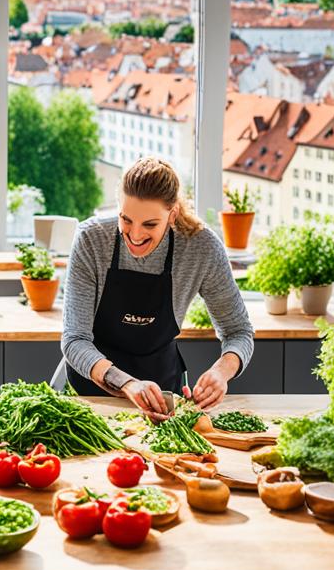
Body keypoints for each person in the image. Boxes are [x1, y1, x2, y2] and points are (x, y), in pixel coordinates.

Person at [61, 157, 255, 419]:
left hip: (163, 398)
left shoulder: (201, 248)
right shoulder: (92, 240)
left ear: (172, 214)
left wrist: (222, 371)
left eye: (150, 224)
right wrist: (127, 383)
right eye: (126, 220)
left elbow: (238, 331)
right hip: (91, 396)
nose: (135, 235)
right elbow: (75, 340)